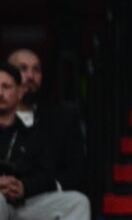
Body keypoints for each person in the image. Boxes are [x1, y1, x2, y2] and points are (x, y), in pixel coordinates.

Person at [0, 62, 88, 220]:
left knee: (78, 202)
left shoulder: (33, 132)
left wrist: (23, 187)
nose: (0, 93)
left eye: (6, 87)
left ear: (19, 92)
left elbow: (46, 173)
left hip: (21, 200)